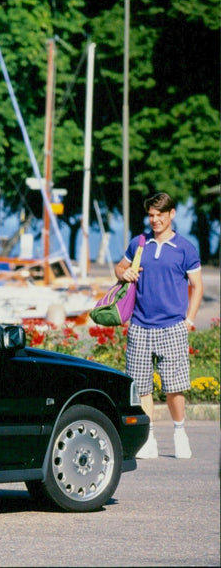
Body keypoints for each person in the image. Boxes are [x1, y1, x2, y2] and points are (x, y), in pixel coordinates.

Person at [114, 192, 203, 459]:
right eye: (151, 215)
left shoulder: (186, 248)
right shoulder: (139, 243)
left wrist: (189, 320)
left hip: (173, 326)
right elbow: (119, 268)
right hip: (140, 325)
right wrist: (124, 272)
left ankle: (179, 432)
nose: (155, 220)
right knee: (141, 387)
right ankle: (148, 437)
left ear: (171, 214)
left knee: (174, 387)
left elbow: (197, 287)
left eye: (159, 215)